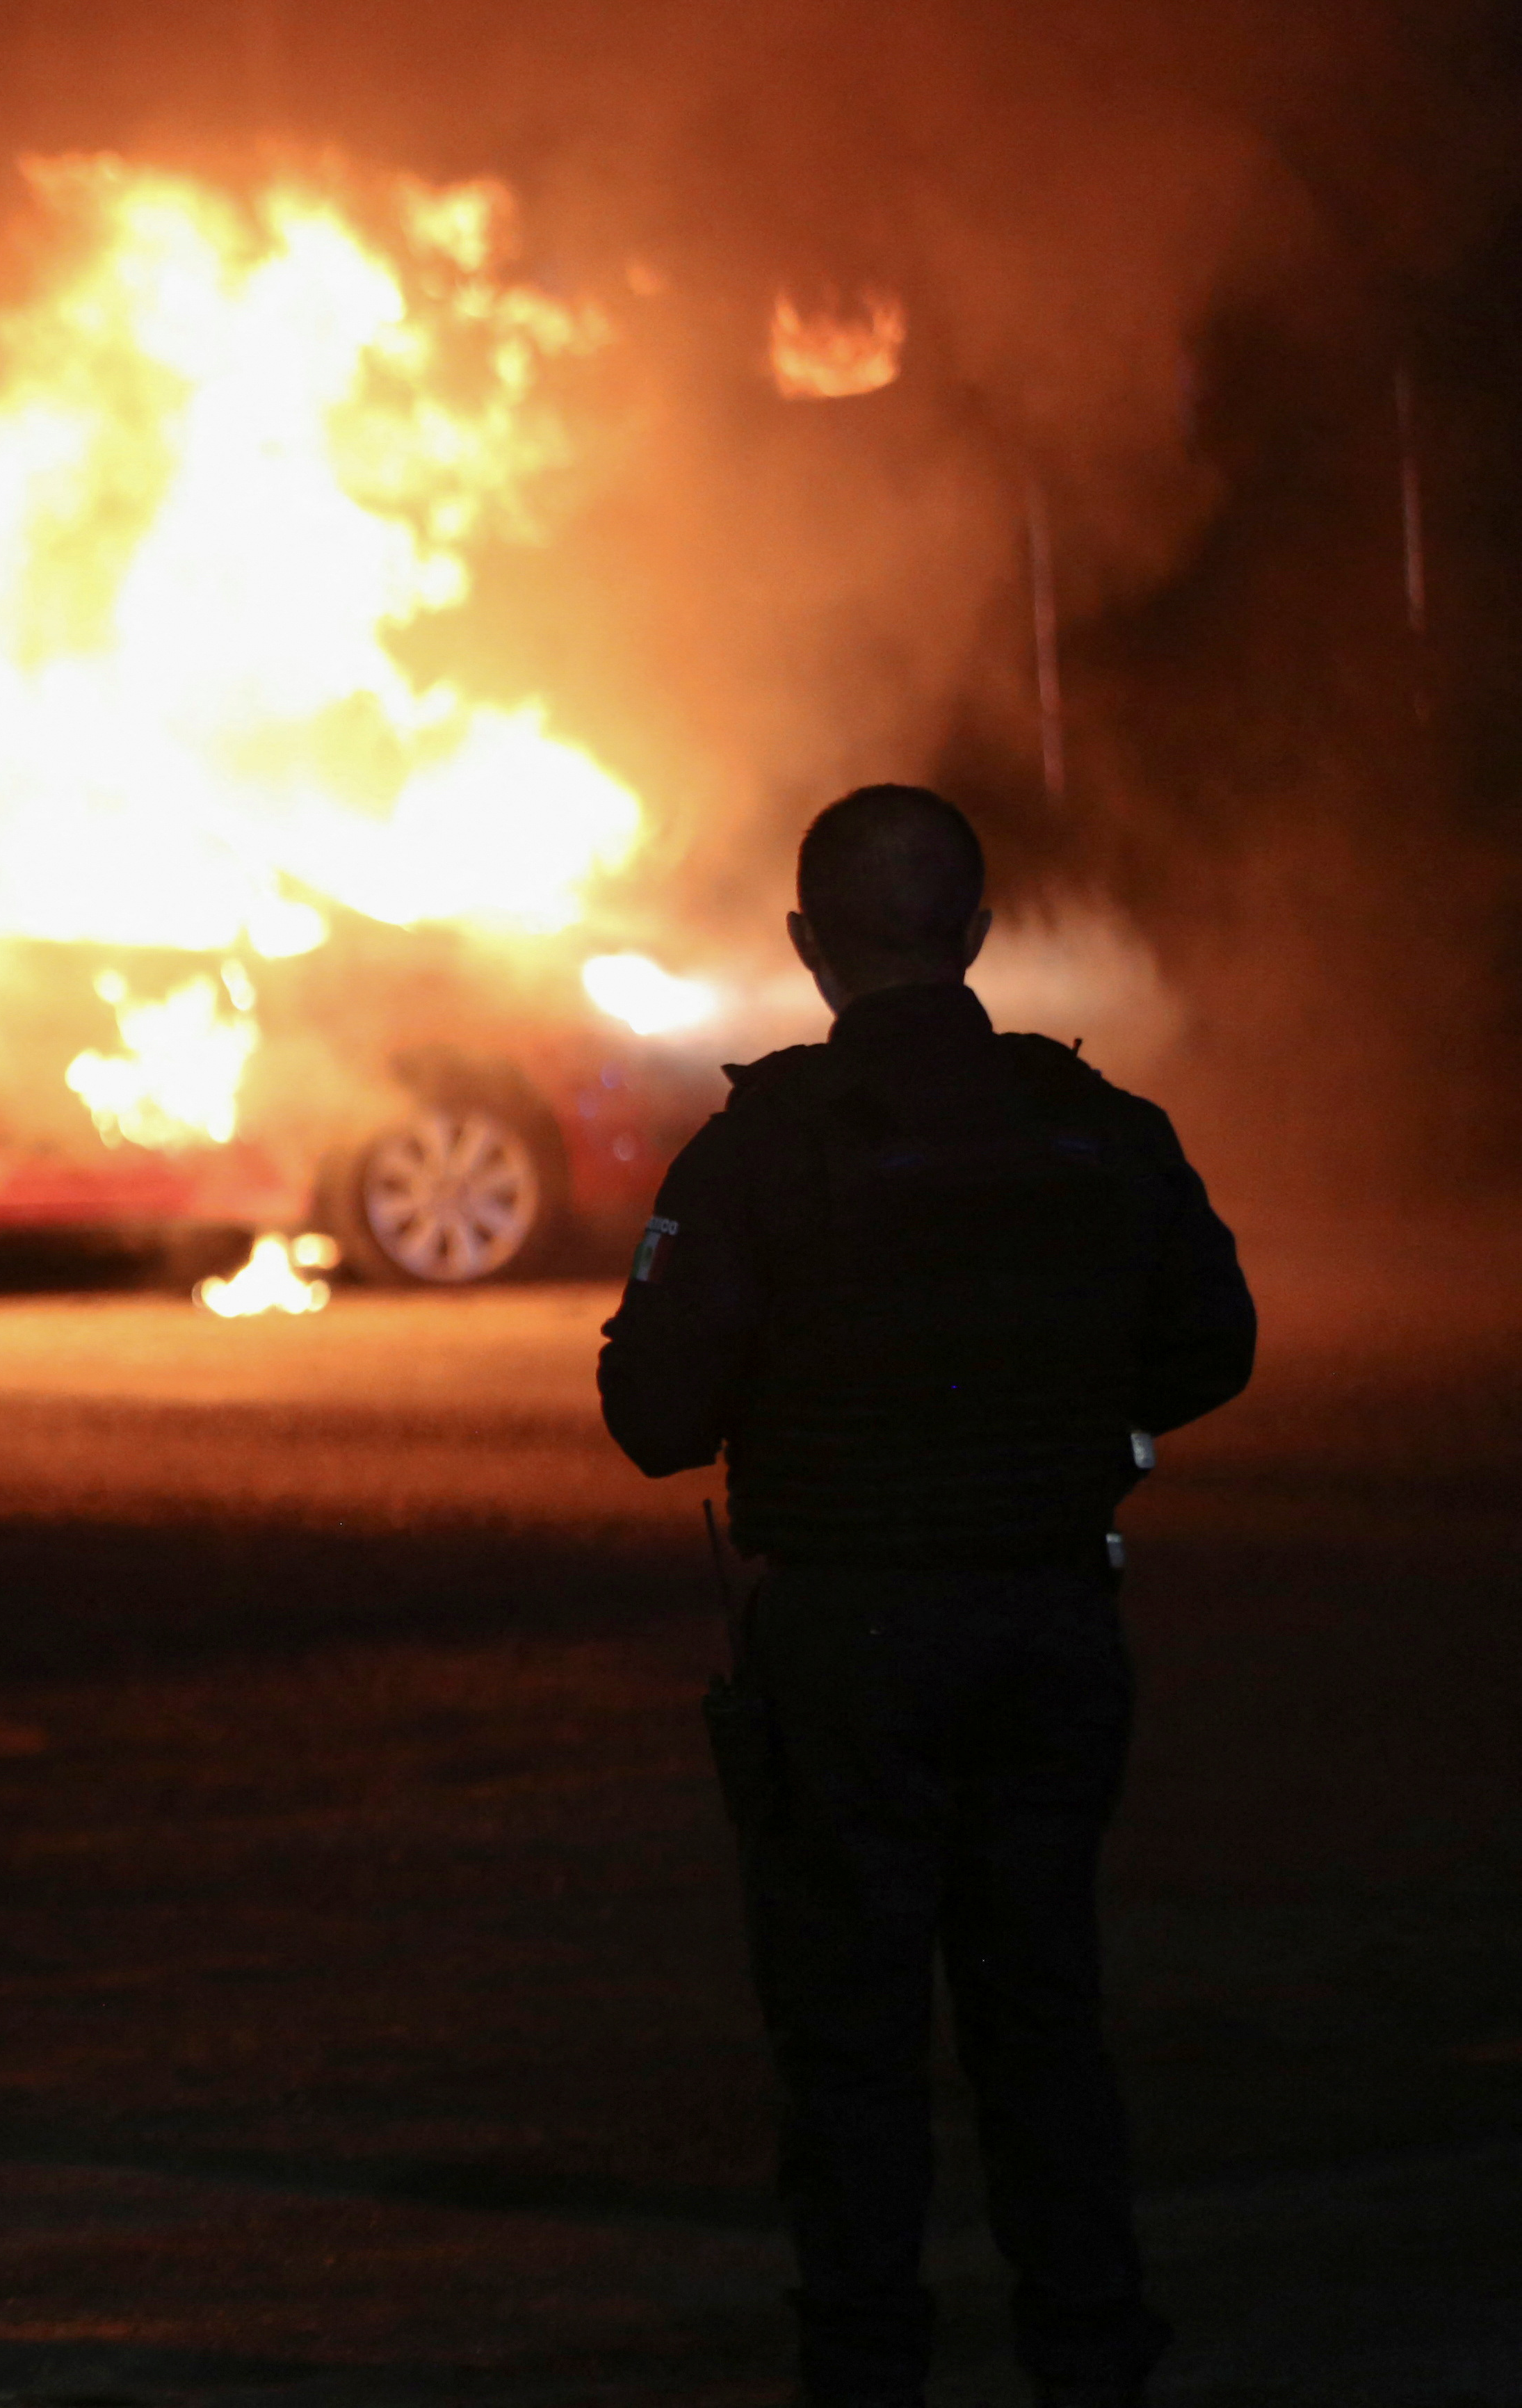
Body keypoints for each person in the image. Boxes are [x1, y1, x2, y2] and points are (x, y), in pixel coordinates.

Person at [599, 785, 1256, 2408]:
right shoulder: (1090, 1123)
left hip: (846, 1642)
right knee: (1042, 2004)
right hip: (1046, 1621)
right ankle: (1089, 2355)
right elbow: (1211, 1345)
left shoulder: (758, 1149)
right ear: (971, 933)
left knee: (849, 2034)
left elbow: (653, 1417)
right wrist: (1069, 1422)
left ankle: (866, 2366)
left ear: (808, 950)